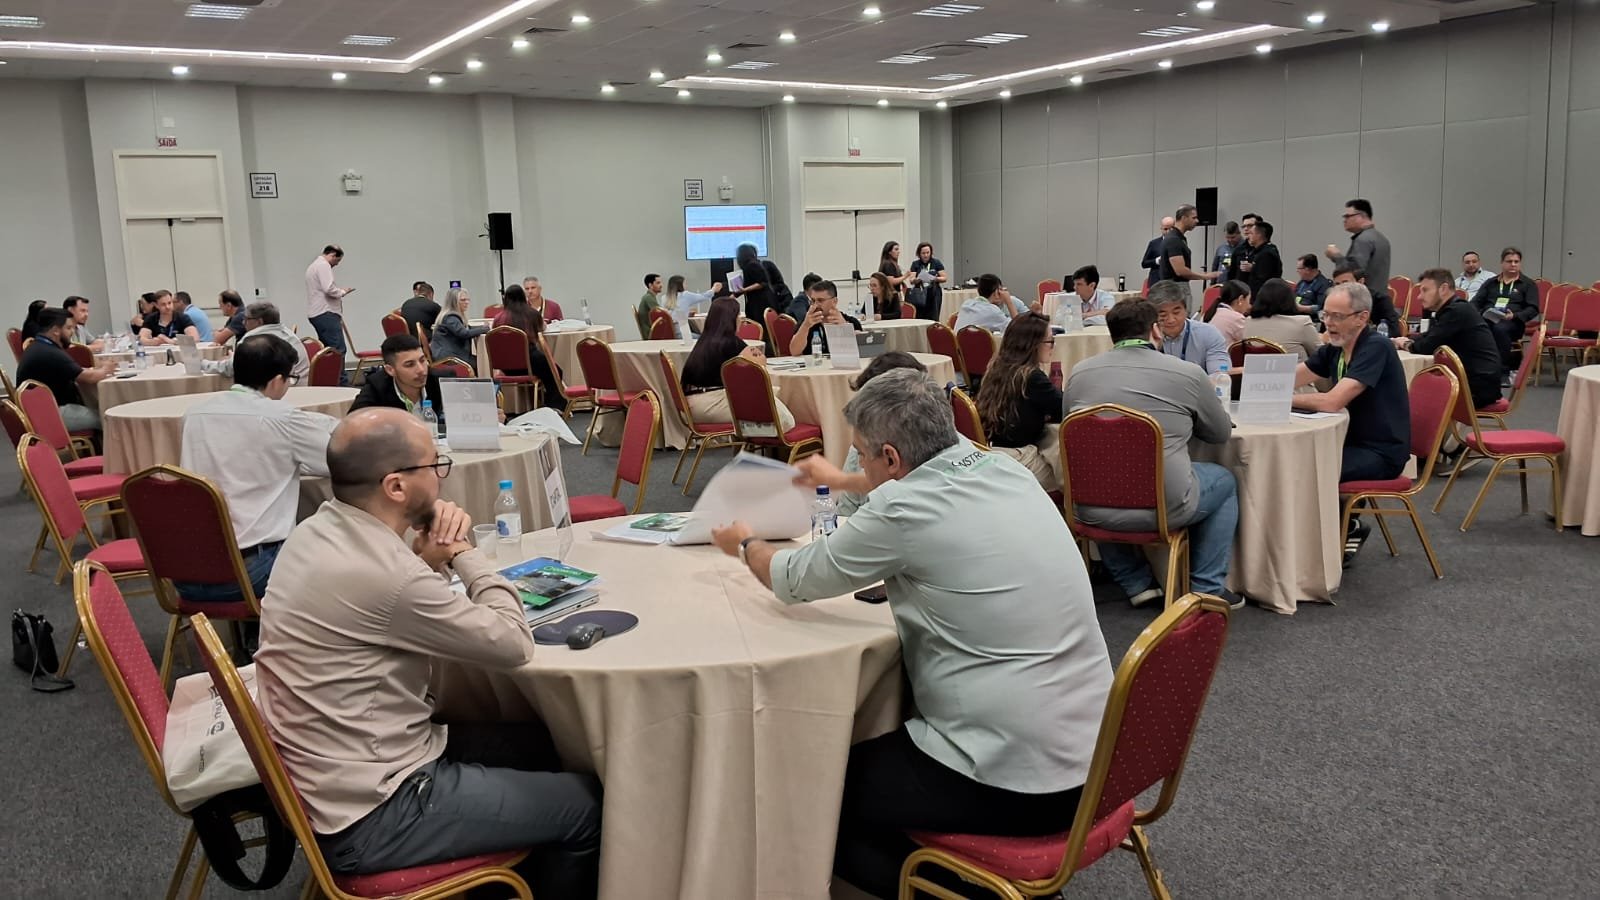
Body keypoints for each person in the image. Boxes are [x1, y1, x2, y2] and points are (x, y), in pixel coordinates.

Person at [709, 369, 1112, 900]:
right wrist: (849, 480)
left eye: (862, 456)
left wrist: (745, 543)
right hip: (1101, 757)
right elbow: (918, 477)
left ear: (891, 458)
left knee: (810, 796)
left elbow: (793, 578)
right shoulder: (1004, 469)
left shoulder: (902, 510)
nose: (859, 466)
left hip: (1011, 778)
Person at [254, 408, 602, 898]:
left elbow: (385, 613)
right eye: (435, 465)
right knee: (586, 807)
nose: (442, 476)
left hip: (338, 777)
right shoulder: (388, 574)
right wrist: (462, 551)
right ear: (396, 486)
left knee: (545, 744)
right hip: (376, 813)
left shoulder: (316, 530)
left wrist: (427, 560)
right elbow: (513, 643)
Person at [1063, 298, 1242, 609]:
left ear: (1112, 335)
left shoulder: (1079, 373)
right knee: (1224, 481)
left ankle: (1135, 581)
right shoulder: (1188, 374)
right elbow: (1219, 434)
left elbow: (1072, 428)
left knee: (1106, 475)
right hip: (1163, 507)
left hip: (1088, 507)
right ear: (1156, 331)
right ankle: (1207, 589)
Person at [176, 335, 336, 603]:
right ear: (277, 380)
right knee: (339, 550)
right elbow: (334, 462)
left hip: (185, 572)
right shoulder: (283, 418)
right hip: (251, 573)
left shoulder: (193, 414)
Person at [1293, 282, 1411, 483]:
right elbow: (1292, 377)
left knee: (1304, 469)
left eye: (1337, 316)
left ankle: (1327, 506)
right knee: (1293, 458)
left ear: (1362, 318)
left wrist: (1282, 399)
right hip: (1347, 440)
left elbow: (1332, 402)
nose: (1328, 323)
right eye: (1325, 315)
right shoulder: (1336, 347)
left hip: (1380, 452)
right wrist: (1243, 377)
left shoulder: (1376, 347)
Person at [976, 312, 1063, 491]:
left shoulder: (996, 368)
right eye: (1050, 341)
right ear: (1034, 345)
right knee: (1072, 469)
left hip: (992, 453)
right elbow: (1063, 409)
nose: (1052, 347)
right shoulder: (1031, 378)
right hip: (1018, 460)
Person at [681, 296, 796, 431]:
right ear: (731, 319)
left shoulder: (704, 340)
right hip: (710, 404)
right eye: (738, 316)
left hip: (690, 404)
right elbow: (758, 366)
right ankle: (762, 438)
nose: (741, 320)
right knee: (776, 411)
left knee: (768, 396)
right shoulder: (731, 343)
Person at [1396, 268, 1503, 409]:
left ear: (1443, 289)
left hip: (1477, 390)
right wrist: (1405, 339)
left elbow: (1425, 346)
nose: (1419, 297)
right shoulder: (1453, 310)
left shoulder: (1456, 311)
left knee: (1408, 395)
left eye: (1425, 290)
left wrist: (1405, 344)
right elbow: (1429, 336)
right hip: (1475, 382)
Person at [16, 307, 115, 432]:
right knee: (109, 419)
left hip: (39, 410)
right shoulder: (50, 352)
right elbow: (89, 378)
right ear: (56, 331)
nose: (72, 332)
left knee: (100, 410)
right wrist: (106, 369)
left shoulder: (39, 346)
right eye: (69, 328)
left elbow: (73, 370)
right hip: (51, 414)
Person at [1325, 199, 1398, 334]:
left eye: (1347, 216)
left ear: (1361, 216)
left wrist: (1336, 256)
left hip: (1362, 302)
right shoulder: (1381, 238)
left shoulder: (1363, 240)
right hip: (1379, 300)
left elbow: (1353, 271)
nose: (1344, 220)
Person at [493, 284, 566, 412]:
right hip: (528, 363)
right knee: (555, 370)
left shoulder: (499, 318)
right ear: (523, 297)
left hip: (505, 366)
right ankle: (554, 406)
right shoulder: (532, 314)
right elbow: (543, 327)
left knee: (547, 367)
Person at [1469, 246, 1540, 377]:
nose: (1513, 264)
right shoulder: (1491, 283)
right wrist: (1478, 314)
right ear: (1502, 263)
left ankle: (1502, 372)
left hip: (1513, 322)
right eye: (1509, 261)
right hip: (1489, 319)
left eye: (1516, 261)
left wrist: (1515, 316)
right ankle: (1475, 368)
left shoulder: (1527, 284)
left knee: (1500, 329)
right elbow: (1475, 302)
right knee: (1475, 327)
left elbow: (1533, 308)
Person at [205, 303, 310, 381]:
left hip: (280, 392)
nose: (243, 323)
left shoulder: (252, 340)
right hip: (301, 387)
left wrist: (203, 364)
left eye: (246, 319)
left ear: (259, 321)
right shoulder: (289, 334)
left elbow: (229, 369)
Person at [351, 333, 446, 418]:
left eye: (422, 360)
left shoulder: (440, 381)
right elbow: (353, 421)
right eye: (410, 365)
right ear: (390, 370)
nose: (421, 370)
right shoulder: (377, 387)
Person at [1151, 280, 1228, 374]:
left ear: (1186, 310)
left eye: (1176, 313)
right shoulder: (1144, 336)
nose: (1171, 320)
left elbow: (1220, 371)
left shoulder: (1209, 334)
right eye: (1163, 315)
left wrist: (1219, 375)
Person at [1244, 279, 1323, 361]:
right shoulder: (1302, 323)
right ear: (1290, 299)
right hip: (1293, 369)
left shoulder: (1247, 322)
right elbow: (1321, 355)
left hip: (1253, 368)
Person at [1158, 204, 1220, 307]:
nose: (1197, 221)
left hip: (1176, 288)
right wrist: (1205, 276)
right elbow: (1180, 271)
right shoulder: (1174, 240)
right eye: (1194, 218)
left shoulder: (1179, 238)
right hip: (1175, 289)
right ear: (1184, 218)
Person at [305, 244, 355, 363]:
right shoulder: (323, 265)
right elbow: (328, 289)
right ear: (332, 255)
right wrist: (342, 292)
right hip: (326, 313)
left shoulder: (313, 266)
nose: (337, 264)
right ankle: (338, 375)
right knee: (337, 350)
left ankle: (327, 374)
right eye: (337, 260)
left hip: (317, 313)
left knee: (327, 351)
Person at [789, 279, 863, 356]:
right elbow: (794, 352)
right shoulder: (807, 322)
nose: (816, 305)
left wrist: (844, 327)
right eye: (813, 301)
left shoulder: (851, 322)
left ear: (834, 301)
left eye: (820, 300)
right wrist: (805, 326)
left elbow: (861, 353)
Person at [430, 287, 489, 370]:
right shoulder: (450, 317)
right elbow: (464, 333)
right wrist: (484, 329)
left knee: (481, 361)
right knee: (483, 363)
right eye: (463, 300)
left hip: (451, 353)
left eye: (468, 300)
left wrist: (482, 328)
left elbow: (466, 328)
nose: (467, 302)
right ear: (454, 302)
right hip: (449, 357)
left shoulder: (449, 315)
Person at [953, 273, 1030, 334]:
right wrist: (1008, 301)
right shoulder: (993, 311)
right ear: (996, 292)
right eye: (1000, 289)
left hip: (959, 348)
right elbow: (1018, 329)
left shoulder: (966, 304)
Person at [663, 275, 721, 340]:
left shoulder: (664, 298)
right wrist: (713, 289)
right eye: (685, 283)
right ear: (680, 285)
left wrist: (686, 314)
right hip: (683, 333)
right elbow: (703, 296)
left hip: (669, 333)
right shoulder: (685, 295)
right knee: (704, 338)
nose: (686, 285)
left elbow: (674, 314)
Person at [1238, 219, 1282, 297]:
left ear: (1259, 235)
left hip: (1264, 297)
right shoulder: (1258, 251)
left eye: (1251, 233)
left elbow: (1261, 280)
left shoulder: (1266, 254)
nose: (1248, 237)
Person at [733, 243, 773, 325]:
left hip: (760, 302)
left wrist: (745, 290)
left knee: (757, 323)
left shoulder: (752, 265)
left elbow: (762, 283)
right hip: (758, 301)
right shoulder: (751, 265)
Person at [1203, 280, 1251, 344]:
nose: (1249, 306)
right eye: (1249, 300)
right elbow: (1250, 343)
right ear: (1240, 299)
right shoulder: (1237, 318)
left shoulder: (1210, 312)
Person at [907, 242, 947, 320]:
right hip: (920, 293)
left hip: (934, 293)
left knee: (934, 316)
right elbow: (911, 280)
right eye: (923, 253)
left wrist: (934, 278)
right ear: (919, 254)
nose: (926, 255)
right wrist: (919, 279)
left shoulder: (936, 262)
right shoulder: (915, 264)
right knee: (920, 317)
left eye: (928, 253)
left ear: (931, 253)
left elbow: (944, 278)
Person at [1140, 216, 1175, 290]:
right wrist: (1156, 261)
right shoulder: (1154, 243)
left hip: (1173, 282)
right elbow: (1144, 263)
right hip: (1156, 282)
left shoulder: (1179, 243)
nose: (1168, 231)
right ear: (1161, 229)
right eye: (1165, 229)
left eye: (1171, 228)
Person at [877, 241, 909, 311]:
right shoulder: (888, 264)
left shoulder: (893, 264)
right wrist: (905, 276)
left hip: (894, 295)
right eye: (896, 249)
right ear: (889, 252)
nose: (898, 252)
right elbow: (891, 281)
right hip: (890, 296)